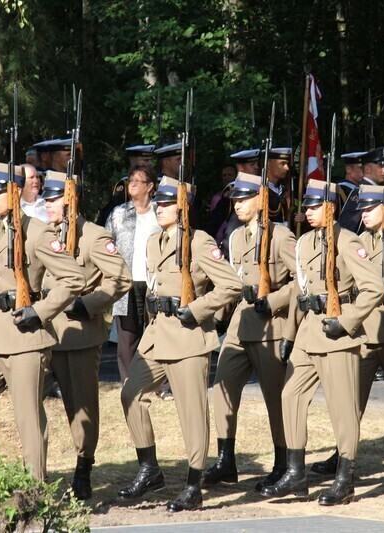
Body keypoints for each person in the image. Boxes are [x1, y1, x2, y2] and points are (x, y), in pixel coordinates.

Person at [117, 176, 240, 512]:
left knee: (192, 414)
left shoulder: (199, 242)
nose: (159, 208)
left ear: (183, 207)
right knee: (131, 394)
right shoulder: (154, 240)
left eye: (168, 203)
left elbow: (230, 286)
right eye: (159, 202)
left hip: (188, 338)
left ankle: (193, 484)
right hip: (157, 336)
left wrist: (197, 309)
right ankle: (149, 468)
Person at [0, 161, 85, 481]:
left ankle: (35, 492)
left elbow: (73, 279)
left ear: (15, 192)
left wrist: (40, 312)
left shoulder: (38, 231)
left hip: (27, 335)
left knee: (28, 419)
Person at [261, 180, 381, 506]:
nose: (308, 212)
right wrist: (288, 334)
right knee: (290, 394)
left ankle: (345, 479)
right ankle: (296, 474)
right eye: (307, 206)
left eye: (315, 206)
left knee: (342, 410)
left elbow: (375, 288)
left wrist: (347, 322)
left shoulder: (347, 241)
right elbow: (300, 294)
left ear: (331, 208)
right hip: (307, 332)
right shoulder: (303, 243)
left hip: (338, 334)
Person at [310, 184, 384, 481]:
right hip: (364, 331)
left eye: (369, 208)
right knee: (349, 398)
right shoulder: (359, 241)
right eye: (361, 208)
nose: (363, 214)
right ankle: (343, 453)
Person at [40, 170, 132, 499]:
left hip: (78, 334)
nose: (46, 204)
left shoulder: (93, 236)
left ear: (71, 200)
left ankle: (83, 466)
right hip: (44, 332)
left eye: (53, 199)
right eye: (46, 198)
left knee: (82, 406)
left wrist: (88, 304)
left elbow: (120, 278)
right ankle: (37, 470)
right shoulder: (44, 234)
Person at [204, 172, 297, 491]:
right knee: (222, 387)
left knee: (276, 399)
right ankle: (225, 461)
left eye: (244, 198)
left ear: (262, 201)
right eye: (236, 199)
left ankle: (283, 463)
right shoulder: (235, 236)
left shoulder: (281, 236)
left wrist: (272, 301)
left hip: (271, 325)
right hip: (240, 324)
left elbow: (302, 281)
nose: (237, 204)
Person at [106, 163, 162, 384]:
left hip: (153, 282)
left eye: (137, 181)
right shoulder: (119, 213)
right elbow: (106, 243)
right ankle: (129, 382)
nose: (132, 185)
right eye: (130, 181)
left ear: (150, 186)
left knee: (158, 332)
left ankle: (161, 383)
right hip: (127, 281)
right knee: (128, 336)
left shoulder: (160, 212)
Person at [96, 144, 155, 227]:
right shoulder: (125, 186)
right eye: (145, 160)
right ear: (133, 161)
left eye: (149, 160)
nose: (150, 163)